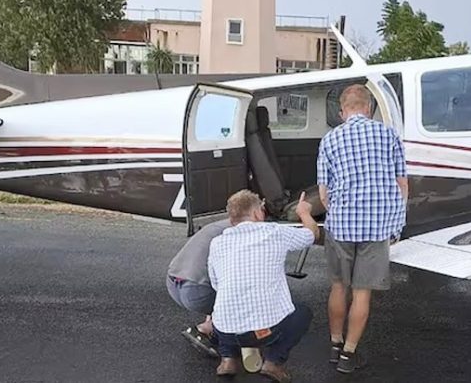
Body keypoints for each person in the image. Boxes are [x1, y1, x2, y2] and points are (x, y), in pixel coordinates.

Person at [317, 84, 408, 374]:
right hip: (377, 226)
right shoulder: (389, 134)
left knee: (338, 286)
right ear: (369, 109)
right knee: (362, 292)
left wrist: (339, 212)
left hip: (341, 226)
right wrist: (396, 223)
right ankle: (348, 356)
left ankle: (334, 344)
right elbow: (402, 184)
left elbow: (323, 193)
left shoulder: (330, 139)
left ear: (343, 111)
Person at [208, 190, 320, 383]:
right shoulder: (273, 232)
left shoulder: (217, 243)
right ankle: (273, 362)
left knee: (223, 309)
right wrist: (304, 213)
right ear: (257, 214)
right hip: (266, 331)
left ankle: (228, 359)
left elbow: (216, 284)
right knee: (303, 314)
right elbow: (312, 234)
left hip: (227, 331)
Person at [166, 218, 231, 357]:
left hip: (173, 282)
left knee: (214, 277)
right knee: (251, 288)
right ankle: (206, 329)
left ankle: (213, 324)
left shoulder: (219, 225)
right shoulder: (244, 233)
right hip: (196, 291)